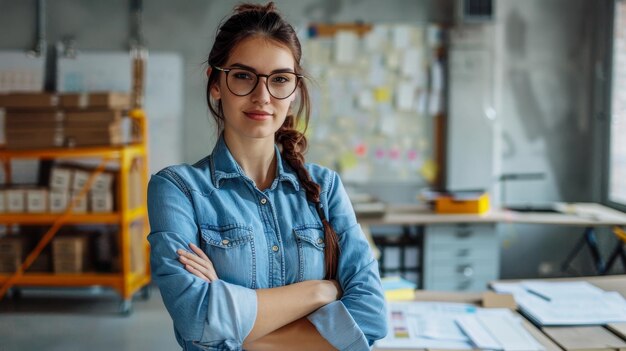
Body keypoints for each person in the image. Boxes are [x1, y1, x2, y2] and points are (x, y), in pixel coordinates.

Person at [147, 2, 387, 350]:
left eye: (279, 80)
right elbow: (197, 319)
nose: (262, 96)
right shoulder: (177, 190)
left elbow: (371, 318)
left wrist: (238, 330)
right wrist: (321, 291)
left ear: (293, 91)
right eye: (243, 76)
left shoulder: (327, 188)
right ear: (215, 83)